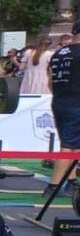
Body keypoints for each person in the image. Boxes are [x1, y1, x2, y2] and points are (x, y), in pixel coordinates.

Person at [48, 38, 80, 196]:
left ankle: (71, 181)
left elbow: (50, 81)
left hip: (59, 101)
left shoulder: (59, 53)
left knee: (71, 144)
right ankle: (53, 186)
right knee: (69, 145)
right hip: (76, 103)